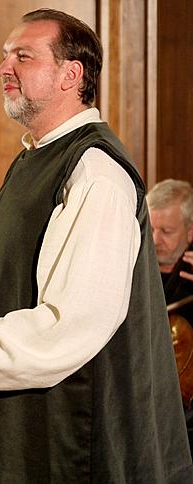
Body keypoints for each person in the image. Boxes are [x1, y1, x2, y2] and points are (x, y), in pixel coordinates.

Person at [0, 9, 193, 482]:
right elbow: (16, 284)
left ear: (70, 74)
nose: (3, 69)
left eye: (23, 56)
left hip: (64, 437)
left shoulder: (95, 172)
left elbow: (70, 324)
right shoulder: (33, 158)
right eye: (3, 56)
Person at [147, 178, 193, 449]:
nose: (155, 240)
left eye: (166, 231)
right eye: (150, 229)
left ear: (190, 232)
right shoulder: (132, 264)